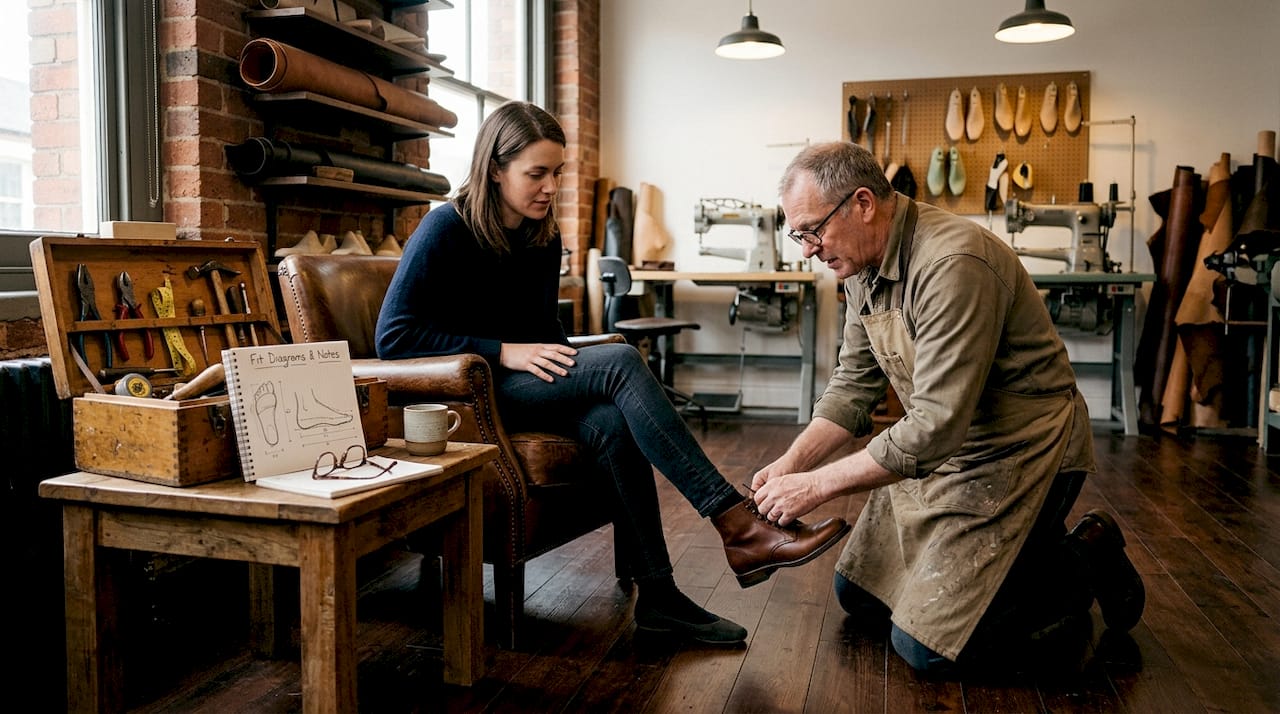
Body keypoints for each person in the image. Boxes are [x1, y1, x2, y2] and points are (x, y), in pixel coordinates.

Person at [375, 101, 851, 644]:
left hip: (518, 385)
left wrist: (567, 369)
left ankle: (660, 599)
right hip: (465, 394)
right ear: (494, 169)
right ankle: (737, 525)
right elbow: (393, 339)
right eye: (537, 173)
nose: (551, 186)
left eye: (557, 172)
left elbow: (543, 332)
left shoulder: (541, 237)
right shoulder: (446, 228)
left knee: (613, 419)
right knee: (622, 359)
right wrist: (501, 349)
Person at [751, 141, 1146, 673]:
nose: (807, 250)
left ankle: (1084, 556)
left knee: (928, 650)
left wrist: (818, 486)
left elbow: (935, 424)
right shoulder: (863, 267)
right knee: (859, 594)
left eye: (811, 231)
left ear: (863, 203)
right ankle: (1013, 564)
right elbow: (852, 387)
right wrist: (791, 465)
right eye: (799, 235)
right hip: (938, 449)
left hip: (1017, 453)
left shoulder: (953, 262)